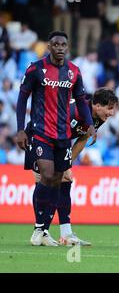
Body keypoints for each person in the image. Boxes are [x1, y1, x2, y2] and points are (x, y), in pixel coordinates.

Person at [16, 31, 94, 246]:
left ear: (67, 48)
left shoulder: (73, 72)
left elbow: (80, 100)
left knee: (57, 179)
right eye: (55, 44)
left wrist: (90, 126)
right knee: (47, 176)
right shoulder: (35, 69)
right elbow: (22, 98)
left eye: (63, 44)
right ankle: (38, 229)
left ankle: (43, 231)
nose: (60, 47)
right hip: (41, 132)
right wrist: (20, 129)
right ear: (49, 47)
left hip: (63, 136)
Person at [26, 88, 119, 246]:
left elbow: (82, 139)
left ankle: (65, 234)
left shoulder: (99, 118)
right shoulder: (74, 112)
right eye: (109, 108)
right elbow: (52, 130)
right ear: (96, 105)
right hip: (39, 135)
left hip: (59, 142)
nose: (111, 113)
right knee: (43, 179)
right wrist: (61, 164)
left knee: (65, 177)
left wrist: (66, 163)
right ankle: (40, 231)